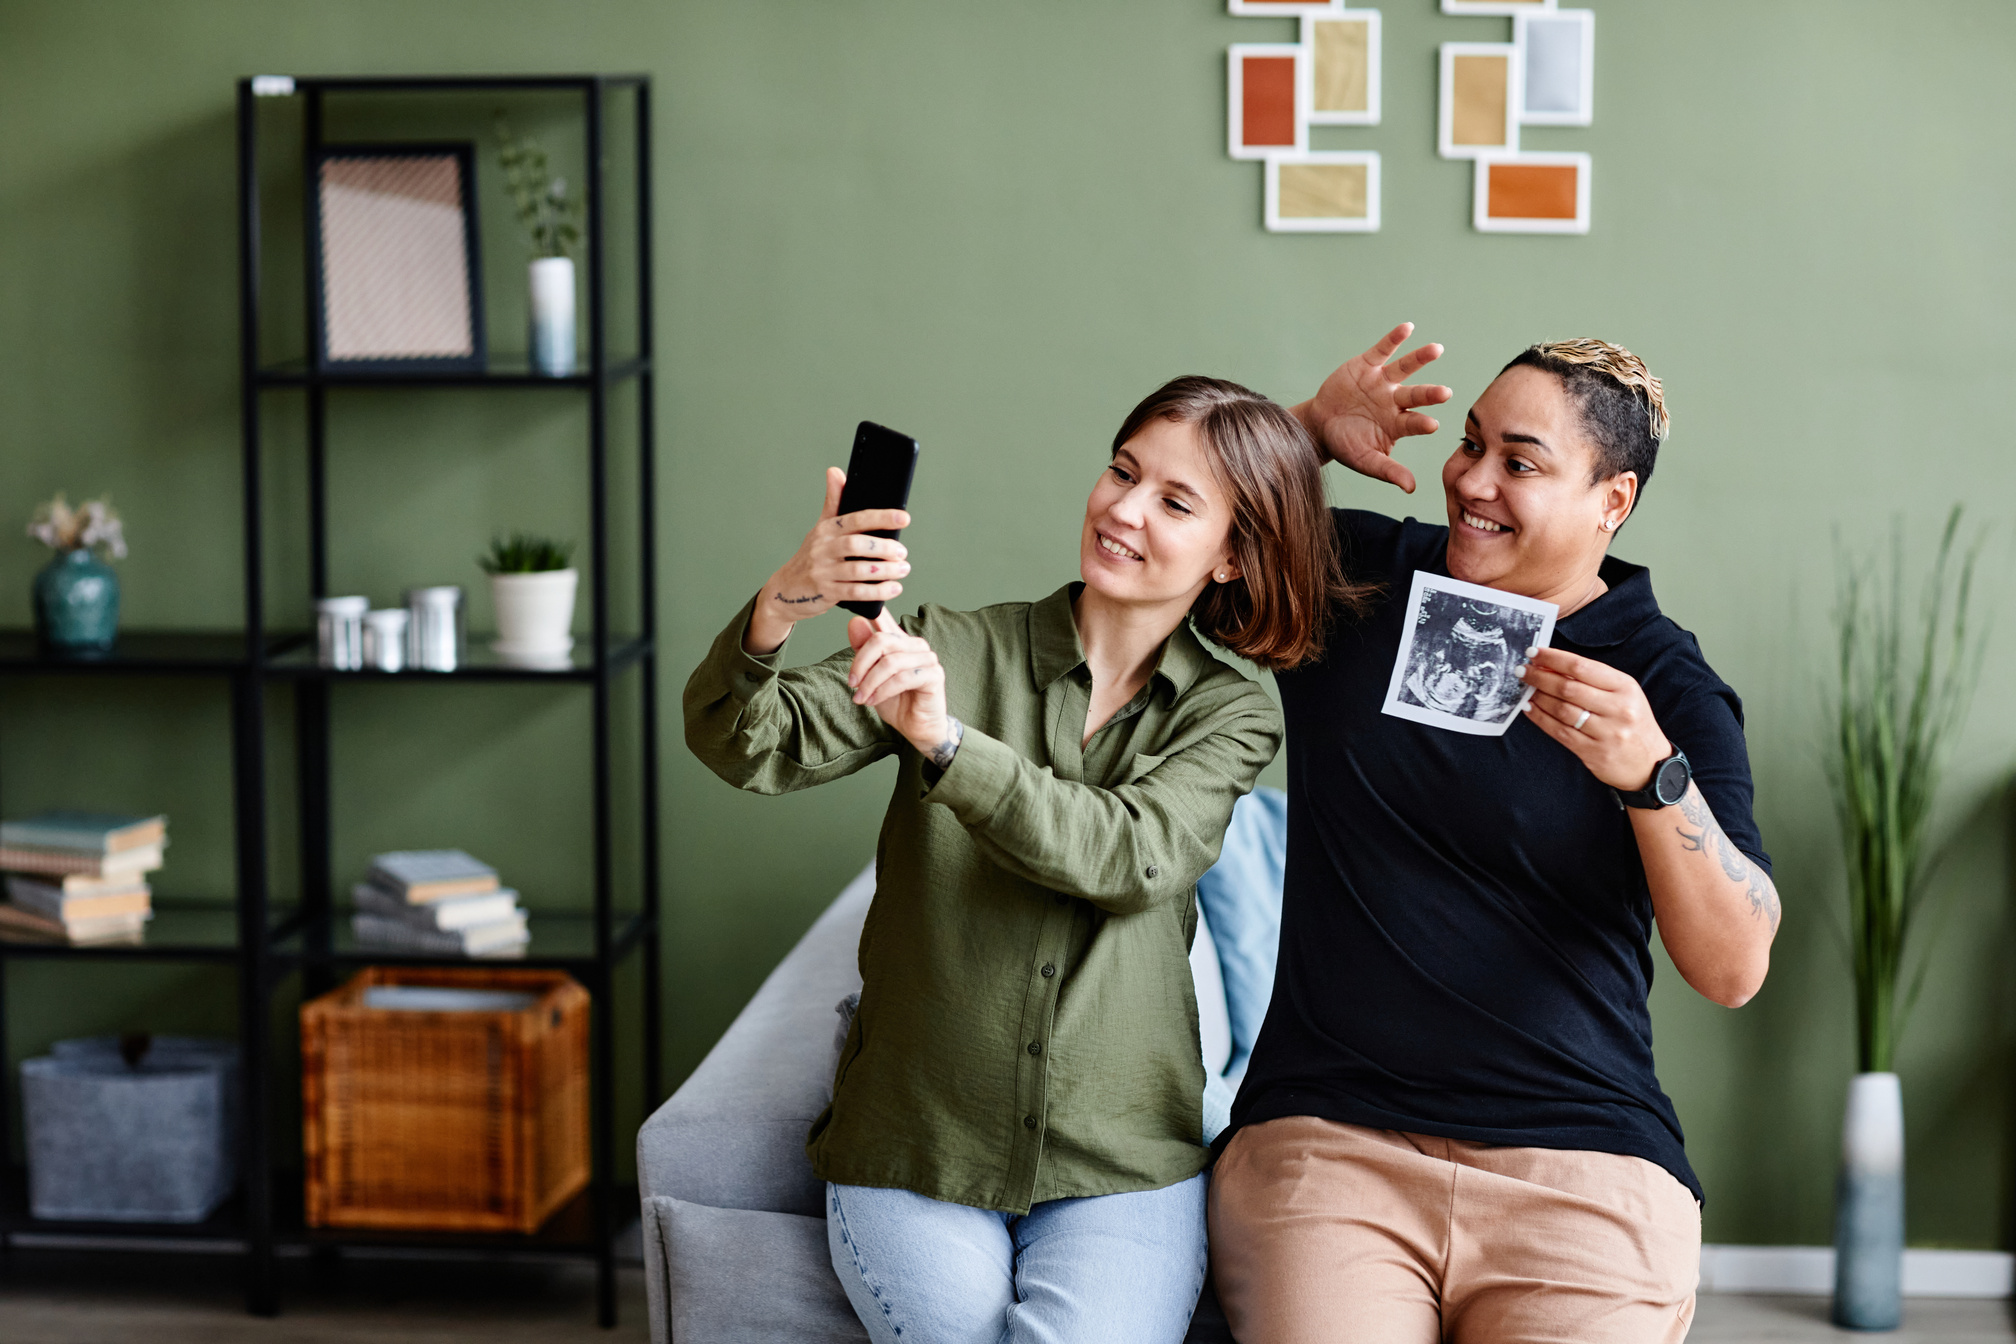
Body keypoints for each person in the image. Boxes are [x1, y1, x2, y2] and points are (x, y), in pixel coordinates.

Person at [685, 377, 1362, 1344]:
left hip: (1125, 1161)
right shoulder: (947, 647)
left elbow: (1135, 851)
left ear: (1234, 555)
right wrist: (787, 600)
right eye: (1122, 471)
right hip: (916, 1143)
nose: (1124, 509)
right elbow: (744, 740)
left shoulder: (1233, 711)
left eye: (1174, 502)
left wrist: (949, 747)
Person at [1207, 329, 1780, 1344]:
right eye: (1471, 443)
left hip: (1580, 1164)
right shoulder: (1362, 580)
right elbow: (1156, 534)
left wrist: (1655, 780)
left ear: (1614, 501)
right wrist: (1297, 437)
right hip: (1334, 1145)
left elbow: (1733, 966)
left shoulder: (1667, 684)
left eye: (1519, 463)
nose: (1470, 480)